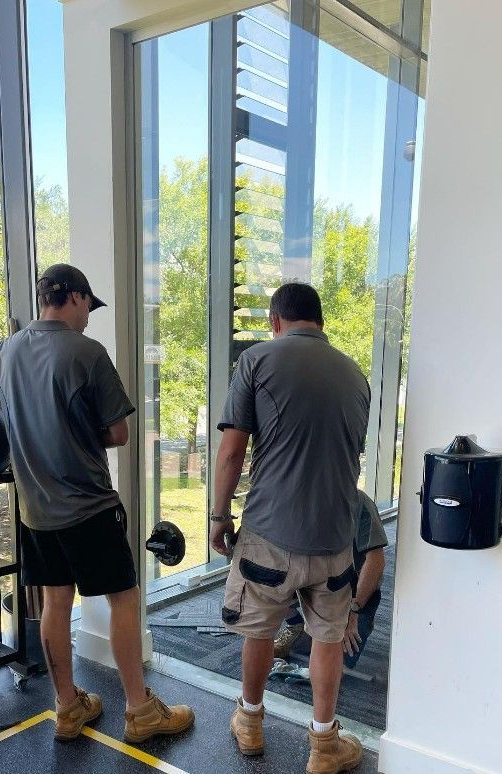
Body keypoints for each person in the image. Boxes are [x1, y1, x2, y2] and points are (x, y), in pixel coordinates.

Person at [0, 264, 194, 745]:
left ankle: (67, 707)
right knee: (123, 601)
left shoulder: (7, 352)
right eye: (90, 307)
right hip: (89, 507)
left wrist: (22, 422)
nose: (89, 318)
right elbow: (118, 434)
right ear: (77, 298)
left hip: (36, 510)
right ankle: (141, 711)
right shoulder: (88, 353)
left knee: (56, 602)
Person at [210, 281, 370, 774]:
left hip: (270, 537)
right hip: (336, 540)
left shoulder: (256, 361)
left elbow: (233, 451)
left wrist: (219, 517)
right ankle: (324, 746)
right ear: (319, 321)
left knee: (258, 629)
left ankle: (250, 723)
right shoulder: (356, 375)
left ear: (276, 322)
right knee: (327, 637)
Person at [274, 490, 388, 670]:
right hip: (314, 580)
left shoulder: (359, 503)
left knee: (335, 667)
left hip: (352, 593)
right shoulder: (297, 499)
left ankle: (348, 620)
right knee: (264, 580)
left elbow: (376, 563)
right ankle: (296, 625)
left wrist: (353, 613)